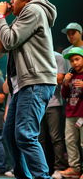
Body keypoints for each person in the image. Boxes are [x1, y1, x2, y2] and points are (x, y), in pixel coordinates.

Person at [0, 0, 57, 179]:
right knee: (10, 137)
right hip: (23, 84)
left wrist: (1, 15)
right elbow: (0, 47)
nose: (11, 1)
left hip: (35, 82)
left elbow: (10, 40)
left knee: (25, 135)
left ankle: (41, 177)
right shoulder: (22, 17)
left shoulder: (34, 10)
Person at [39, 51, 68, 179]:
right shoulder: (37, 54)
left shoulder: (58, 57)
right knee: (40, 139)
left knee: (56, 138)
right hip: (38, 103)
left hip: (54, 102)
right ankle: (42, 168)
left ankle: (59, 168)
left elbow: (60, 78)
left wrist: (40, 76)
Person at [59, 47, 83, 179]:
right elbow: (64, 95)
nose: (75, 63)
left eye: (77, 59)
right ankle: (74, 168)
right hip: (71, 114)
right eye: (72, 61)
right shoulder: (71, 75)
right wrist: (65, 83)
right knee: (70, 141)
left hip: (82, 114)